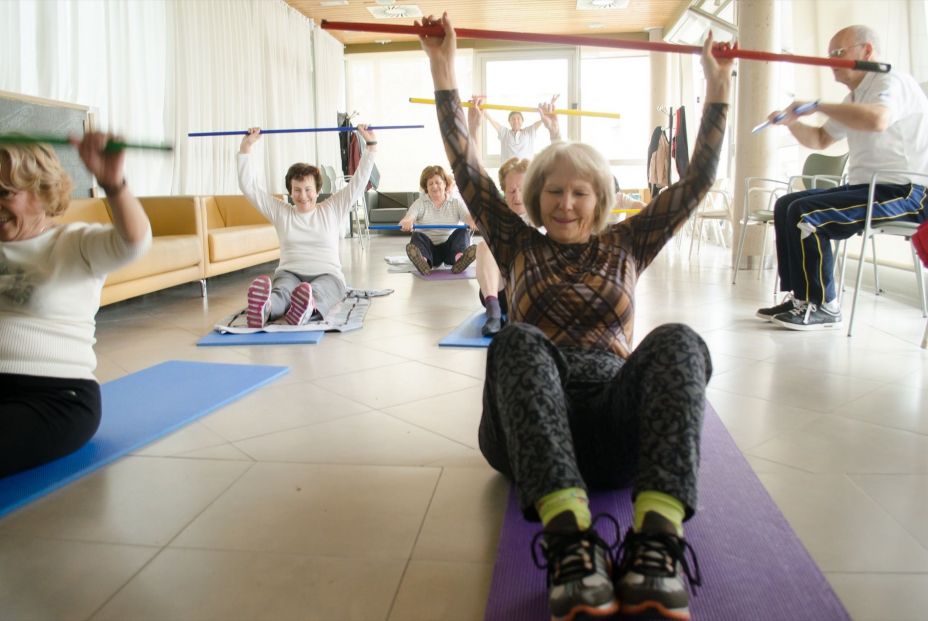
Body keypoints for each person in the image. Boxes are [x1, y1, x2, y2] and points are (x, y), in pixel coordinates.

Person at [418, 12, 732, 621]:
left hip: (616, 430)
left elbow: (695, 183)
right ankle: (571, 547)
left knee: (680, 341)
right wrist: (443, 67)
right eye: (555, 191)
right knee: (517, 340)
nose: (566, 203)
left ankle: (656, 550)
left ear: (600, 197)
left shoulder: (629, 243)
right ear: (536, 198)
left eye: (580, 191)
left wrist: (717, 88)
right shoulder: (517, 243)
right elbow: (464, 164)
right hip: (528, 434)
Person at [757, 25, 928, 330]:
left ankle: (824, 304)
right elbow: (821, 139)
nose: (831, 61)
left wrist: (819, 105)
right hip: (868, 188)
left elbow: (878, 119)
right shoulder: (854, 99)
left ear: (867, 51)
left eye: (838, 53)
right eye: (829, 54)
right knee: (786, 204)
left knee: (807, 214)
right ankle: (801, 298)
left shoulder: (893, 81)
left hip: (907, 191)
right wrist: (792, 122)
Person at [0, 134, 153, 477]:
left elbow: (135, 243)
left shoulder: (74, 243)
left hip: (55, 397)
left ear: (42, 192)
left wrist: (113, 185)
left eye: (4, 193)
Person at [238, 125, 377, 328]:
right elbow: (248, 187)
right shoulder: (281, 212)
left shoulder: (332, 208)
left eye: (308, 189)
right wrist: (246, 147)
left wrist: (371, 146)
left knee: (319, 291)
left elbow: (358, 182)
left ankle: (306, 309)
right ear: (290, 191)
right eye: (297, 190)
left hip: (328, 274)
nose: (303, 196)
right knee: (282, 292)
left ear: (318, 189)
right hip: (289, 273)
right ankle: (265, 309)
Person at [469, 95, 559, 335]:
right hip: (500, 293)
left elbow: (560, 169)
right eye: (510, 190)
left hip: (534, 291)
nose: (516, 196)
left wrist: (554, 131)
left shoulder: (542, 210)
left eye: (522, 189)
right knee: (483, 247)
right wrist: (474, 126)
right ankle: (494, 314)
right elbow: (473, 170)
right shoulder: (497, 209)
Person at [399, 164, 477, 275]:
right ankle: (423, 261)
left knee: (463, 231)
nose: (434, 186)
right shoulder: (420, 203)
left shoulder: (455, 202)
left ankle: (460, 259)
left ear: (445, 184)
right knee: (417, 236)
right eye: (430, 184)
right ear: (426, 187)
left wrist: (473, 222)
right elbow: (408, 218)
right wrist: (407, 222)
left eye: (438, 182)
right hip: (430, 251)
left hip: (449, 250)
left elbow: (468, 217)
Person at [482, 95, 559, 161]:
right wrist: (482, 107)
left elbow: (544, 118)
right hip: (508, 172)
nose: (516, 121)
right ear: (509, 121)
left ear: (522, 121)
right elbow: (491, 120)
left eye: (518, 118)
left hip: (526, 171)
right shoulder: (504, 132)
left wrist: (552, 103)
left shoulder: (529, 131)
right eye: (513, 119)